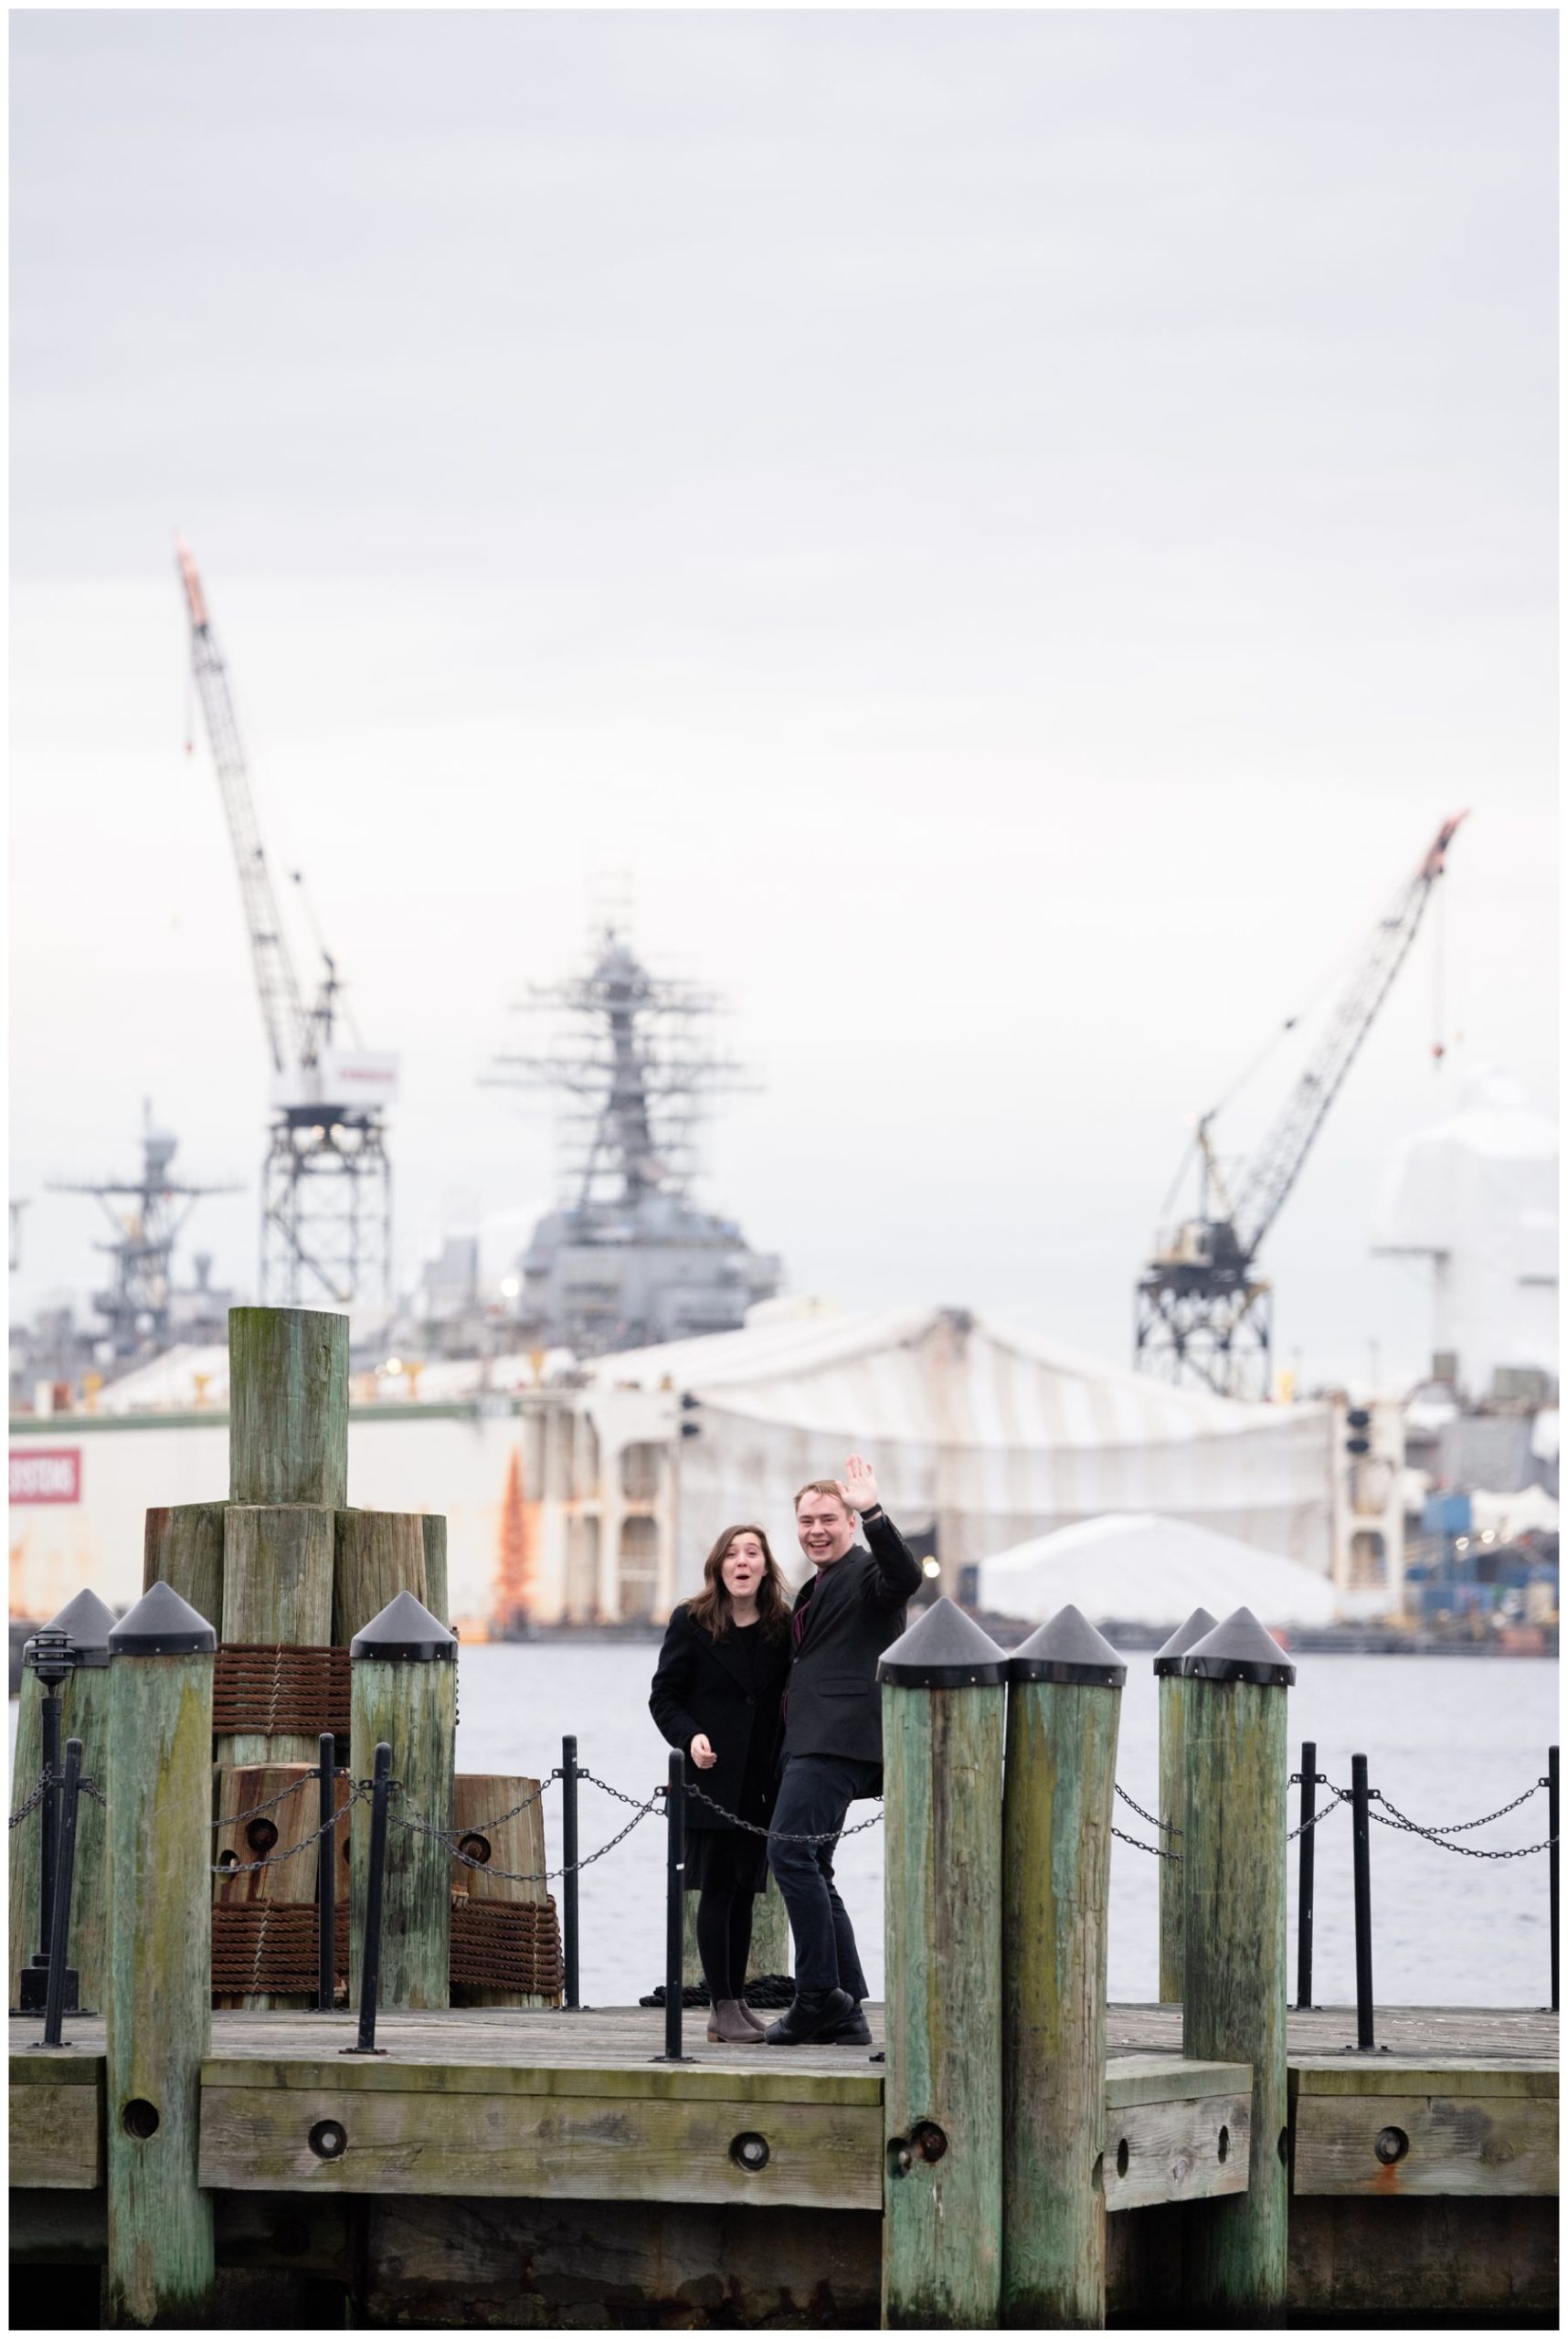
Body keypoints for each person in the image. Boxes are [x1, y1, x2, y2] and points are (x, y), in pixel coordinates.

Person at [765, 1455, 923, 2046]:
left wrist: (875, 1511)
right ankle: (846, 2006)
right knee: (814, 1866)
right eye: (806, 1520)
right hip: (811, 1741)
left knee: (788, 1855)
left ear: (849, 1523)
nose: (816, 1530)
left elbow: (905, 1578)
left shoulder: (866, 1574)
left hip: (840, 1740)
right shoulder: (816, 1584)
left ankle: (814, 1998)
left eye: (829, 1518)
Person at [648, 1523, 792, 2045]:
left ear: (765, 1567)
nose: (742, 1562)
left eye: (752, 1553)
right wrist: (691, 1738)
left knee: (746, 1892)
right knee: (715, 1891)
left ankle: (734, 2002)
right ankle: (720, 2004)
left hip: (760, 1781)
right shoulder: (692, 1621)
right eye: (732, 1554)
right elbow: (663, 1697)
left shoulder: (781, 1625)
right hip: (710, 1777)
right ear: (719, 1566)